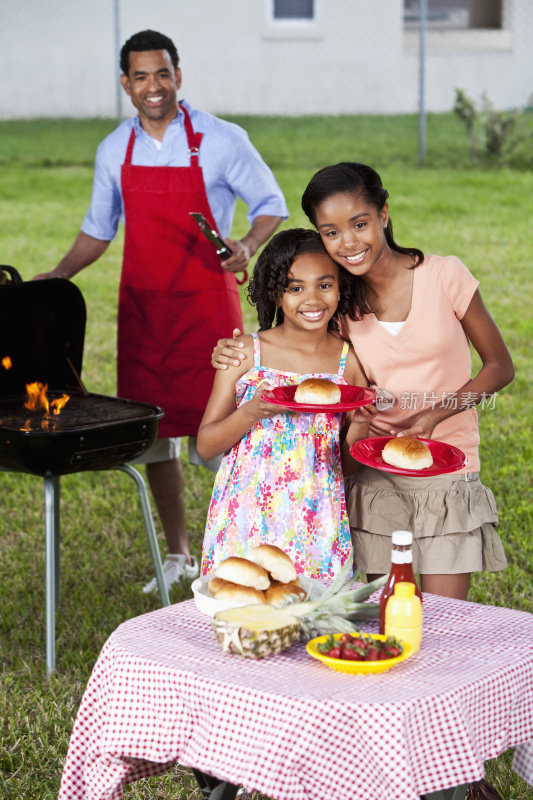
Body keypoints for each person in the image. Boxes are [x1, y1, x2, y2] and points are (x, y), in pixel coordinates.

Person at [33, 29, 288, 593]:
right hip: (145, 314)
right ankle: (178, 554)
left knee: (225, 432)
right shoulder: (112, 150)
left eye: (163, 74)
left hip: (206, 310)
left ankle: (243, 554)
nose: (154, 87)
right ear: (126, 84)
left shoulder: (222, 140)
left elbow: (272, 204)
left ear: (179, 76)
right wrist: (53, 279)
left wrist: (245, 244)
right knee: (155, 437)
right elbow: (98, 233)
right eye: (141, 76)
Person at [211, 162, 514, 601]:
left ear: (384, 214)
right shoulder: (339, 301)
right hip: (369, 470)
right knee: (381, 613)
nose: (348, 242)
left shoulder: (444, 276)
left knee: (447, 616)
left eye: (359, 224)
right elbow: (294, 340)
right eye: (330, 231)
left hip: (446, 464)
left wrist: (433, 415)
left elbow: (499, 366)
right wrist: (232, 352)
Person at [197, 229, 369, 581]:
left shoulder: (347, 362)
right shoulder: (245, 353)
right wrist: (250, 412)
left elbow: (347, 466)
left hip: (316, 519)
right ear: (274, 294)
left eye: (324, 285)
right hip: (246, 515)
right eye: (295, 288)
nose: (312, 299)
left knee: (314, 618)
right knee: (245, 614)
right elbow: (206, 446)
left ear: (341, 288)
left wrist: (363, 424)